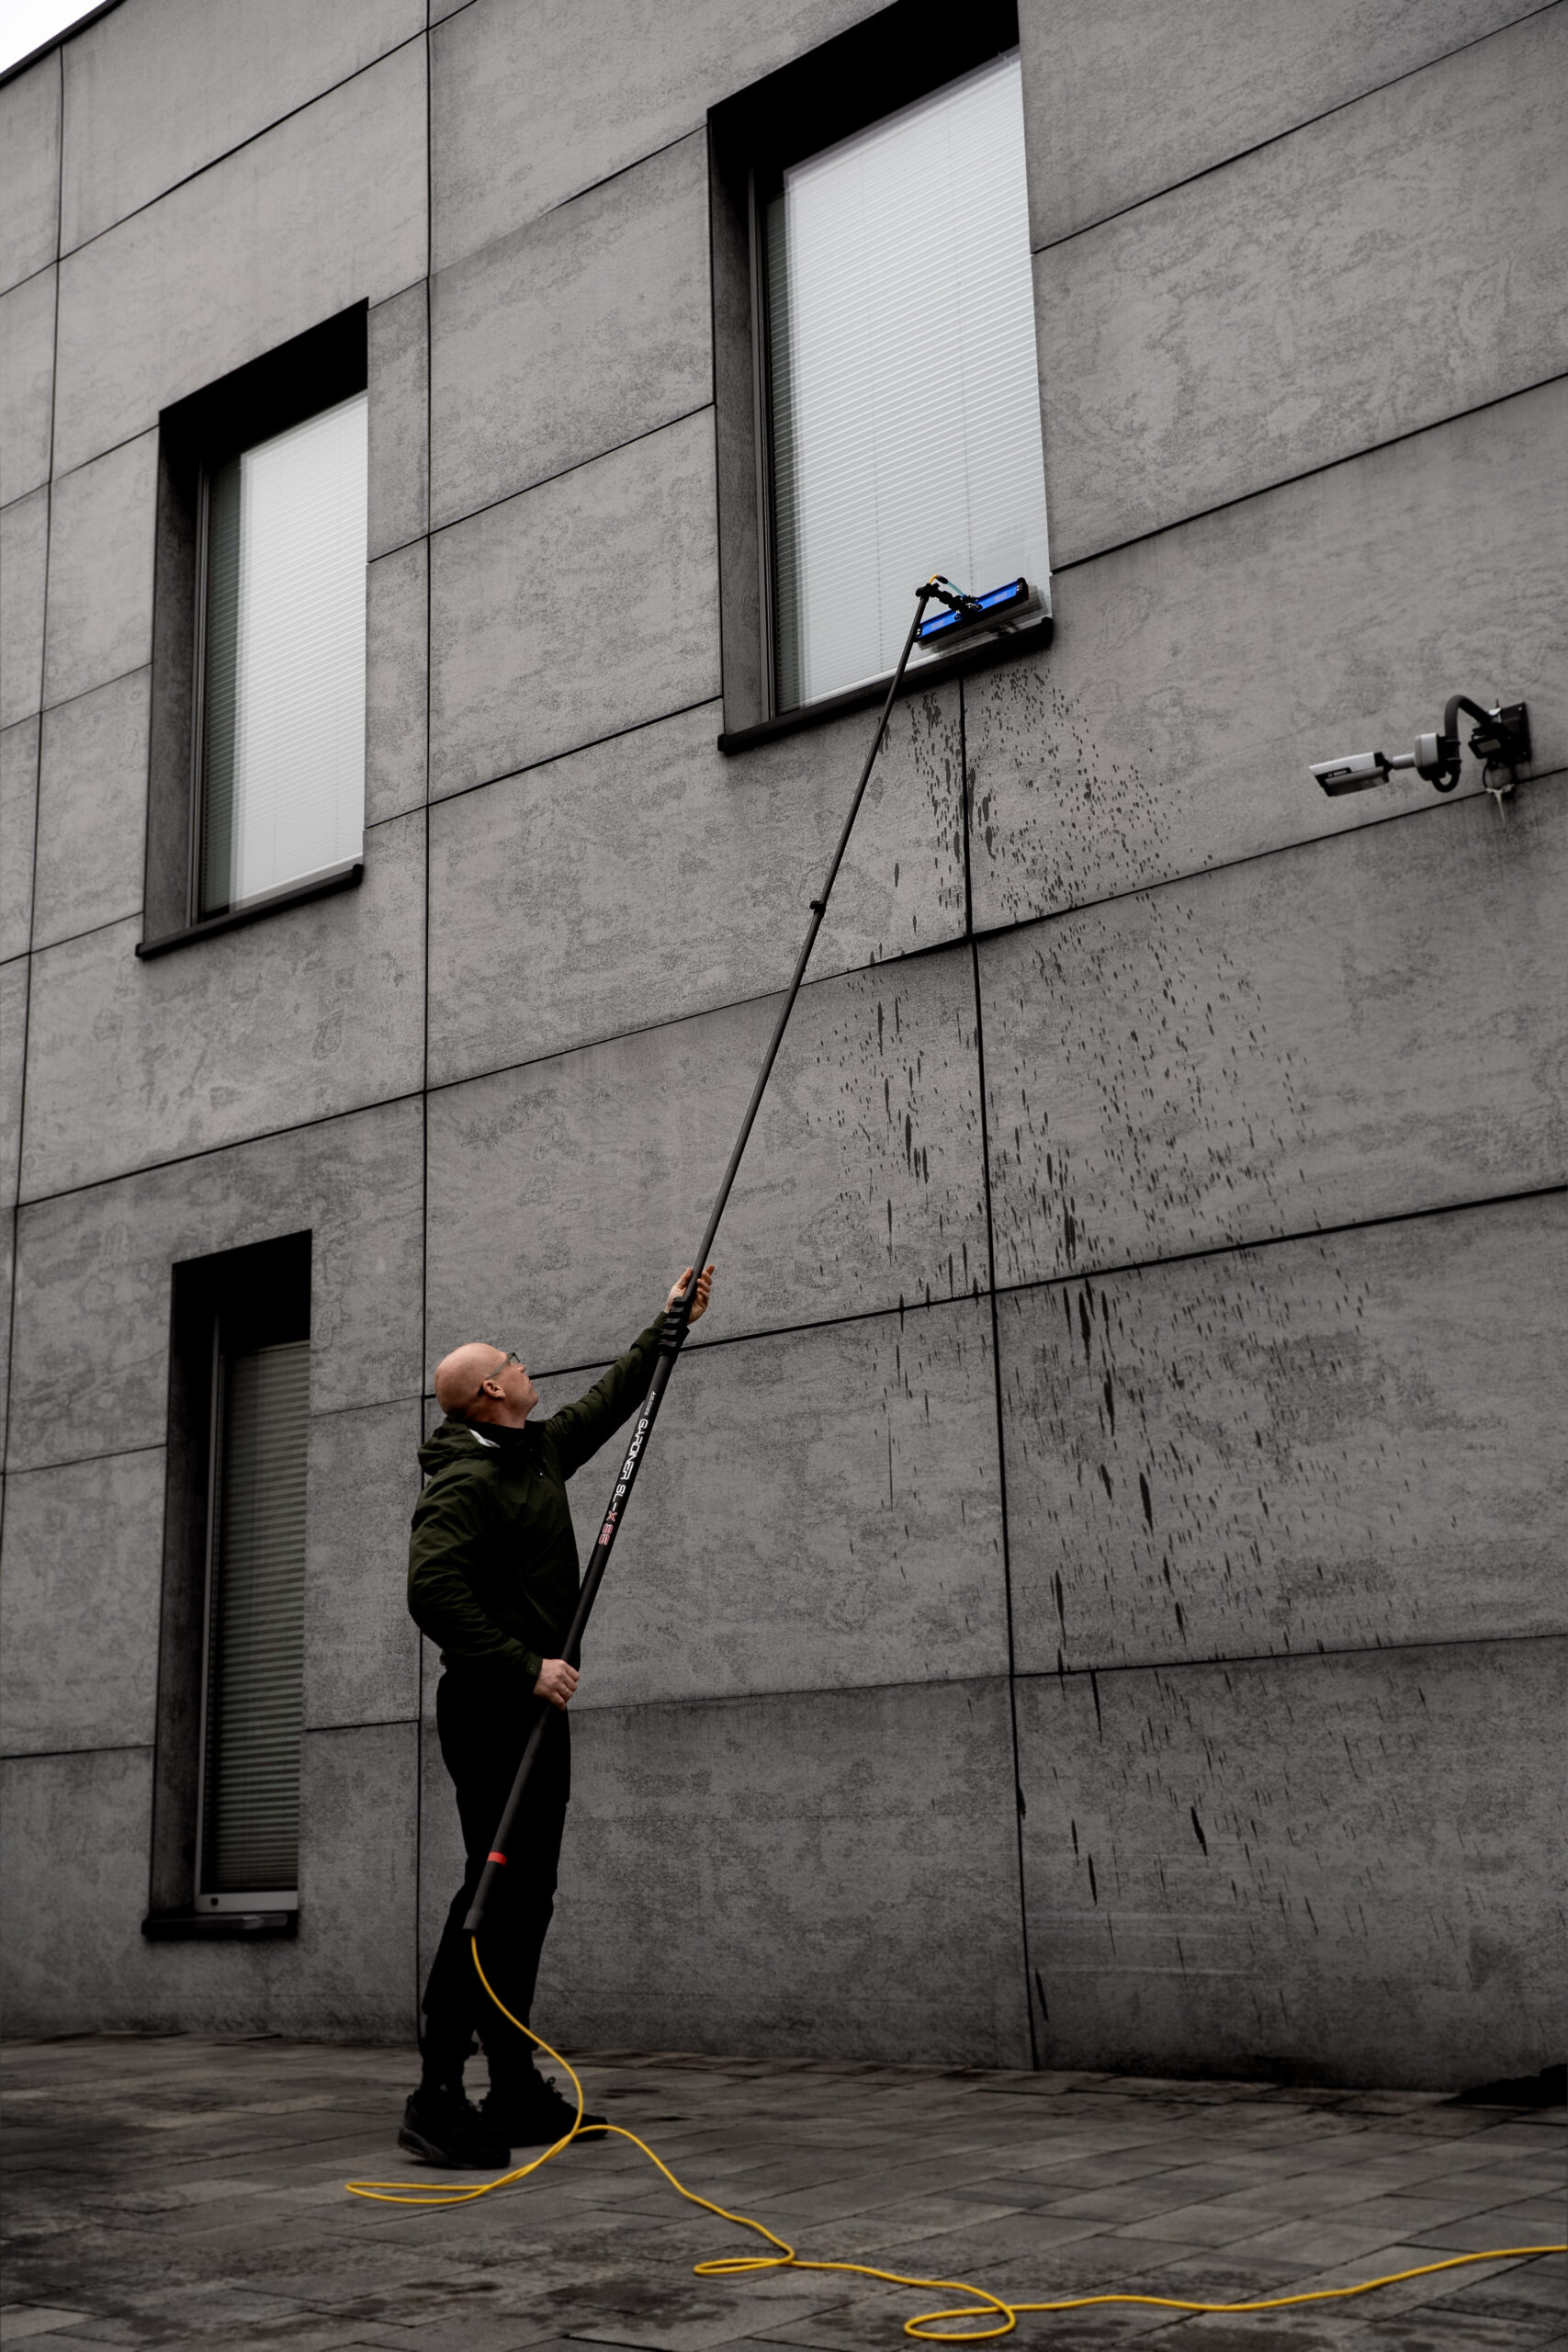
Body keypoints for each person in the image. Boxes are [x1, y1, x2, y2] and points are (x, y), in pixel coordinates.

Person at [400, 1264, 715, 2169]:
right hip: (491, 1709)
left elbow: (609, 1402)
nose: (524, 1364)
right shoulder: (466, 1480)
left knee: (527, 1895)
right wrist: (524, 1666)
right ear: (490, 1391)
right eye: (513, 1360)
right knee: (491, 1891)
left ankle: (511, 2084)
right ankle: (433, 2094)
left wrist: (669, 1322)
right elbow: (431, 1590)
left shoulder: (532, 1452)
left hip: (537, 1709)